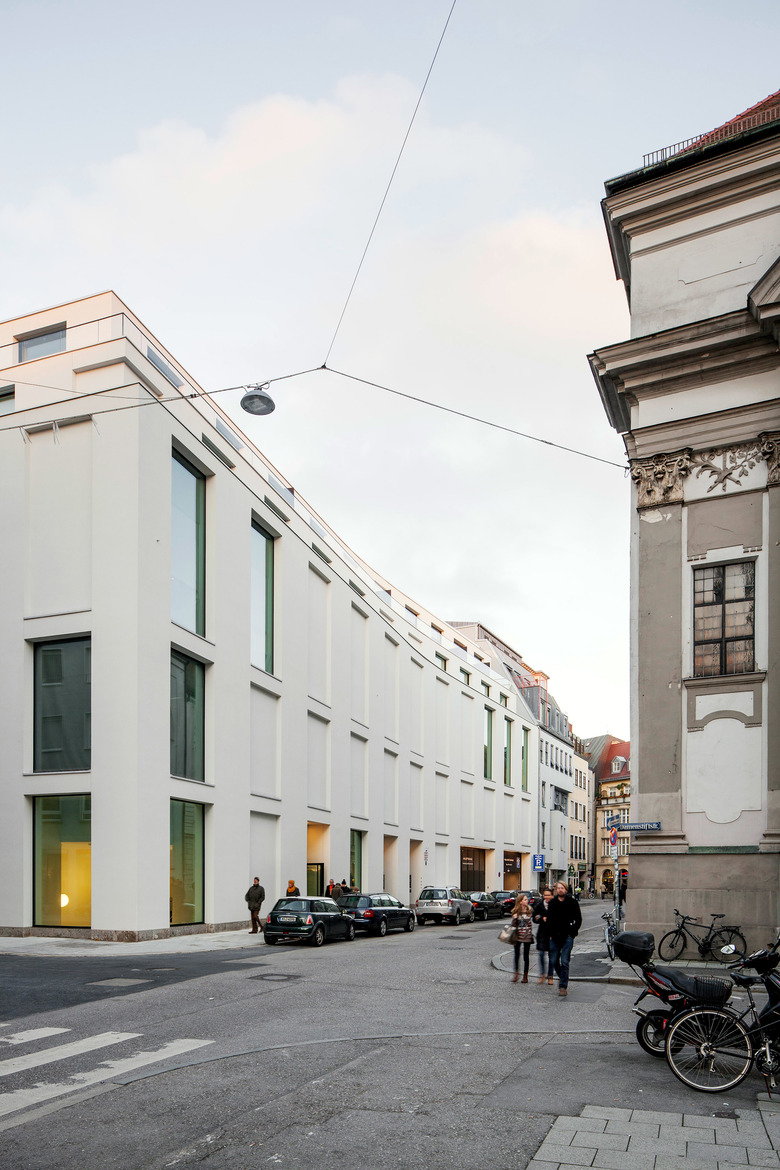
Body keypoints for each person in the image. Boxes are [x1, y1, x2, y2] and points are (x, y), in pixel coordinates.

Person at [545, 880, 582, 996]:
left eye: (562, 888)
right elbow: (549, 920)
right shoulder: (553, 903)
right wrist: (549, 934)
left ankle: (563, 986)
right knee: (553, 960)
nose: (560, 890)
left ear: (566, 889)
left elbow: (578, 919)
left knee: (565, 961)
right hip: (554, 936)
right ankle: (562, 976)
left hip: (567, 936)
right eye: (558, 888)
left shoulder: (572, 902)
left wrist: (573, 932)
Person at [532, 887, 554, 983]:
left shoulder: (555, 905)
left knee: (552, 956)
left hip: (552, 933)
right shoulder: (540, 905)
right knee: (541, 954)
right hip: (542, 933)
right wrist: (541, 918)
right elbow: (534, 918)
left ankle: (550, 976)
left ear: (552, 896)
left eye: (548, 895)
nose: (546, 897)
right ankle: (542, 974)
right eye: (545, 895)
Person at [510, 894, 534, 982]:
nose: (527, 901)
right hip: (517, 936)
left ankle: (525, 975)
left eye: (527, 899)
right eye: (525, 900)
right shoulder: (515, 911)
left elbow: (530, 923)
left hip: (527, 935)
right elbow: (513, 926)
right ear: (520, 902)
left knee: (526, 956)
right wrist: (514, 918)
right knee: (516, 955)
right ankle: (516, 974)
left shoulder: (529, 910)